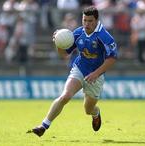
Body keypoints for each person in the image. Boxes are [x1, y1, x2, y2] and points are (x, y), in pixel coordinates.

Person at [27, 6, 118, 137]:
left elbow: (112, 58)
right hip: (79, 69)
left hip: (96, 76)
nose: (86, 24)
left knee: (88, 109)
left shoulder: (104, 36)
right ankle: (43, 125)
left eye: (90, 21)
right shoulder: (78, 33)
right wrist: (59, 44)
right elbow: (64, 54)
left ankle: (96, 113)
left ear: (97, 20)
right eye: (84, 20)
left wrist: (96, 74)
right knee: (65, 96)